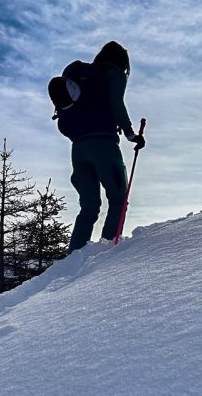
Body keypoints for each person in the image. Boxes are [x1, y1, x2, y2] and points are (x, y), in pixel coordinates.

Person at [60, 41, 145, 253]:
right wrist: (130, 133)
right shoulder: (114, 74)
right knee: (118, 200)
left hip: (78, 148)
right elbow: (116, 103)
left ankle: (75, 256)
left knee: (89, 207)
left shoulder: (81, 75)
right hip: (104, 145)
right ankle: (107, 254)